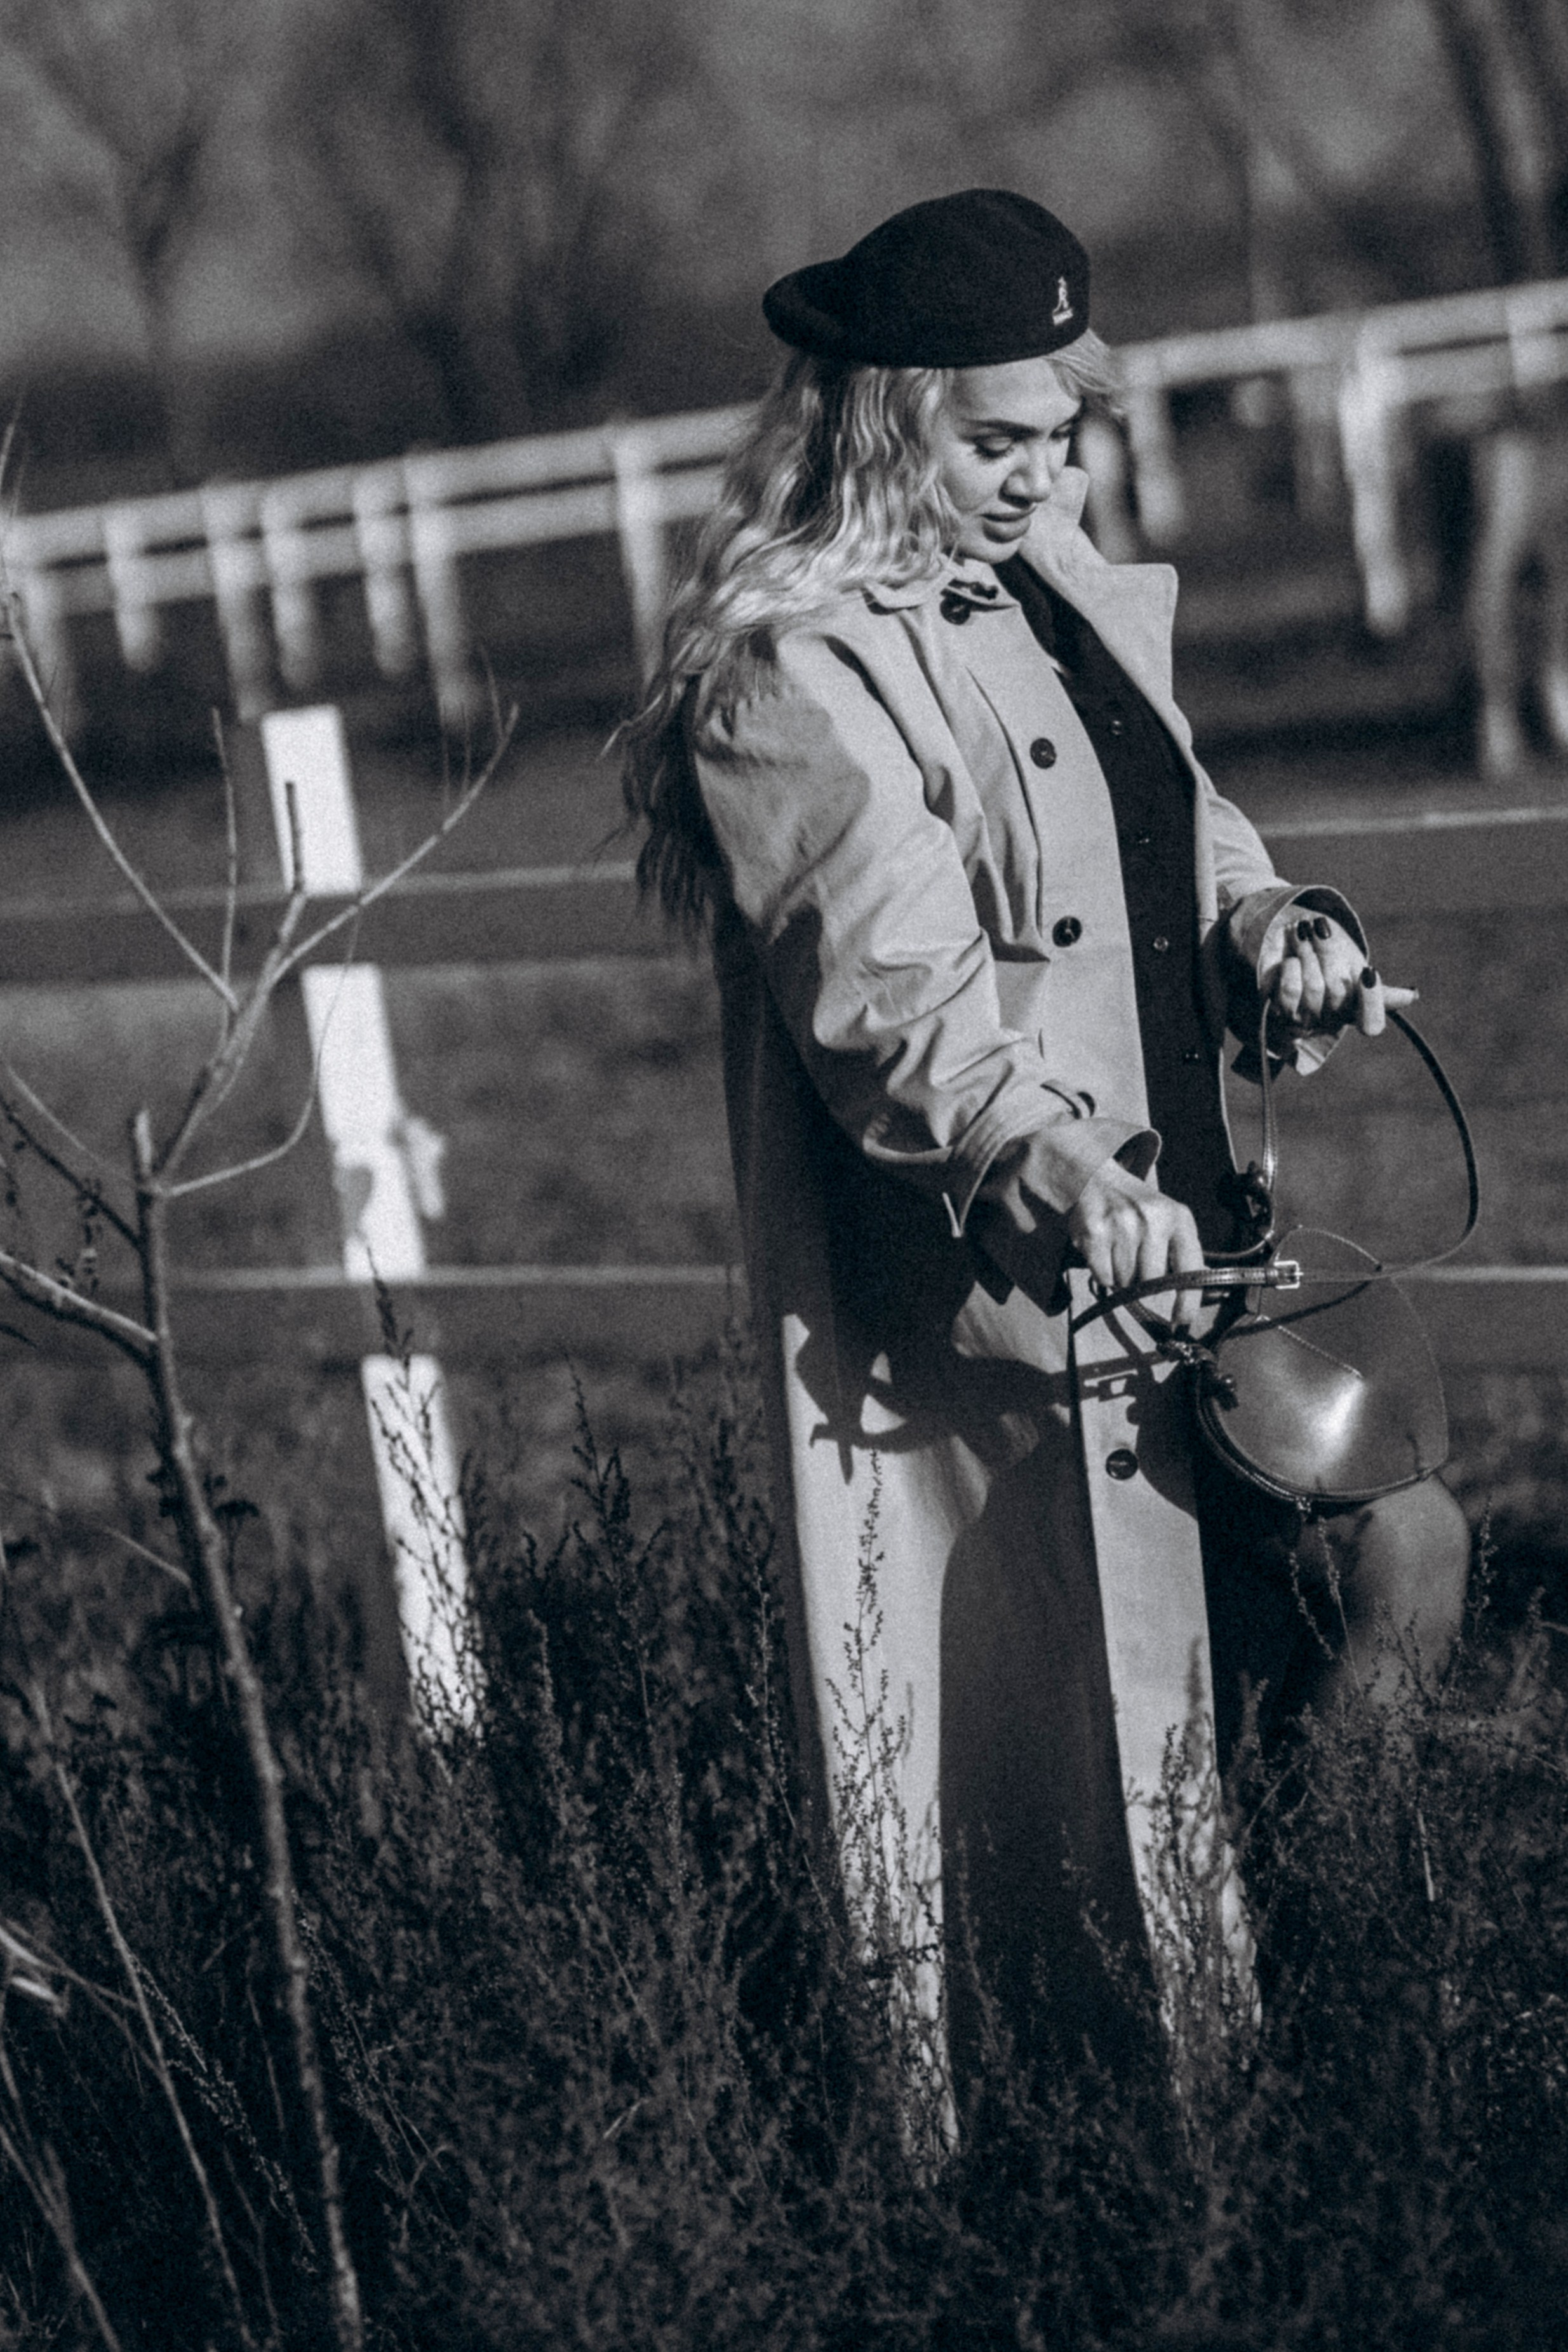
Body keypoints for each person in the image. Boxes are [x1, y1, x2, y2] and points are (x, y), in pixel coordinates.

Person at [622, 189, 1470, 2081]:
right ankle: (1140, 2152)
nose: (1039, 474)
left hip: (1191, 1235)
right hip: (1007, 1290)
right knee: (1101, 1752)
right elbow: (888, 989)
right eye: (995, 439)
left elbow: (1178, 831)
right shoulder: (792, 669)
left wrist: (1274, 937)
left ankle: (1344, 2029)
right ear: (878, 420)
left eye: (1062, 432)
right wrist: (1039, 1155)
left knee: (1398, 1553)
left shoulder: (1058, 587)